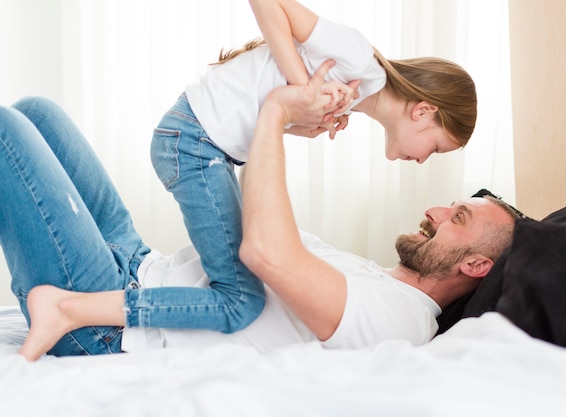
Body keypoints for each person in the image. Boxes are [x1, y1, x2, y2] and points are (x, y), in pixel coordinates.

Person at [3, 64, 514, 362]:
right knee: (37, 110)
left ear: (475, 265)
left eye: (458, 218)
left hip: (109, 326)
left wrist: (275, 112)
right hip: (139, 262)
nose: (435, 209)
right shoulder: (369, 273)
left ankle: (65, 309)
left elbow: (264, 251)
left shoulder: (401, 321)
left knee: (7, 131)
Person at [150, 0, 478, 339]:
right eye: (436, 148)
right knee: (239, 297)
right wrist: (301, 88)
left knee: (242, 280)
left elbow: (264, 104)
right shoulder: (357, 58)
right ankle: (109, 311)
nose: (424, 160)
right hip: (193, 139)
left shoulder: (353, 91)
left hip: (207, 144)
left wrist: (297, 121)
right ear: (423, 111)